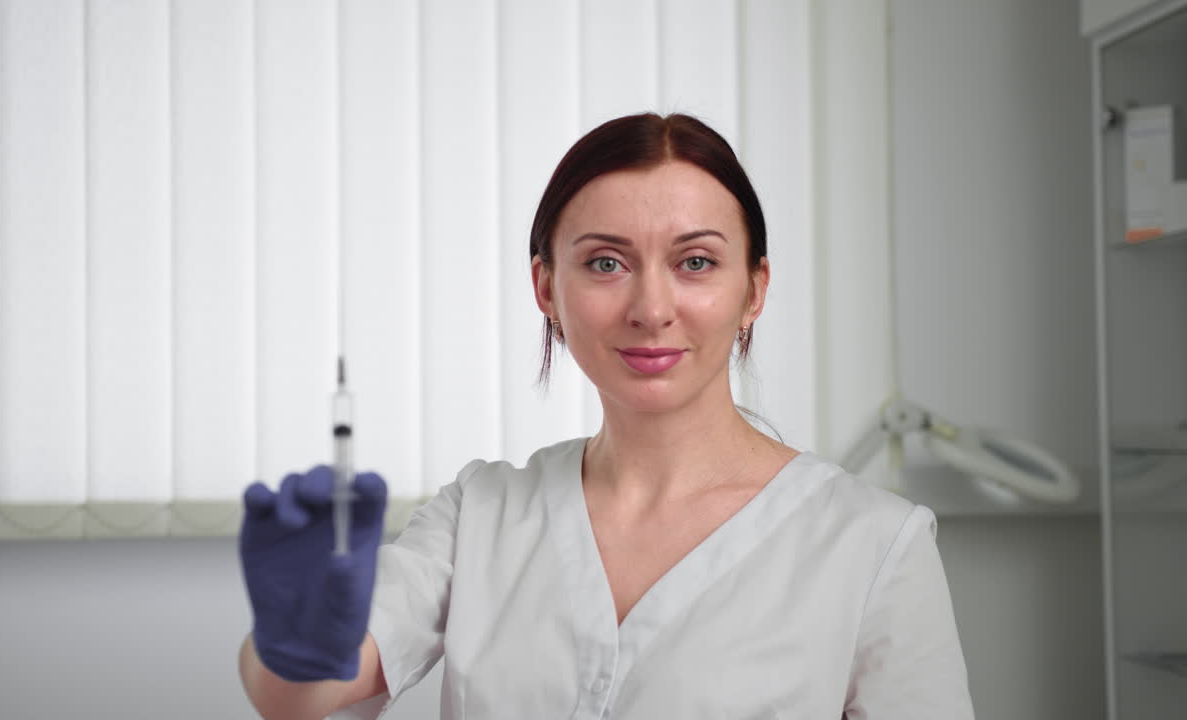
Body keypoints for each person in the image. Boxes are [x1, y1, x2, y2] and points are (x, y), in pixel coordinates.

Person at [237, 113, 975, 719]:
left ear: (754, 290)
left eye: (695, 263)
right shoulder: (482, 515)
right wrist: (290, 639)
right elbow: (304, 695)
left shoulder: (875, 546)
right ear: (546, 288)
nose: (652, 310)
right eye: (605, 263)